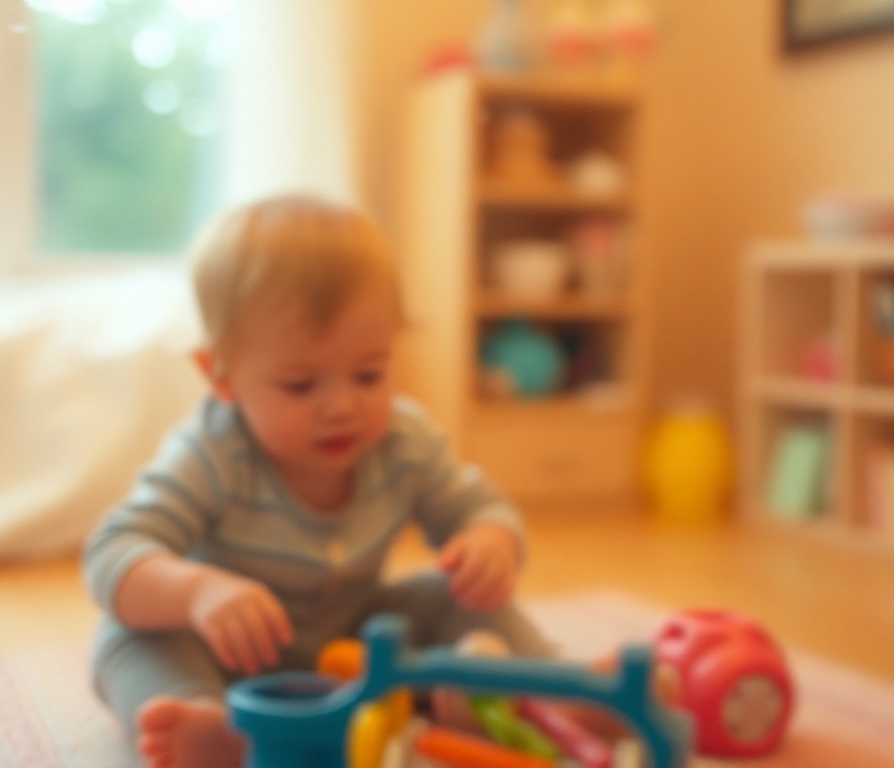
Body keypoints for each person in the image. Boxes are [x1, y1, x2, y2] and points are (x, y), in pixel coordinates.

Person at [82, 194, 556, 767]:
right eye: (301, 386)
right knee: (128, 636)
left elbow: (479, 506)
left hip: (359, 651)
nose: (342, 407)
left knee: (453, 597)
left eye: (368, 374)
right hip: (229, 656)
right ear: (222, 377)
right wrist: (197, 592)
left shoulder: (403, 441)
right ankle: (212, 729)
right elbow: (113, 553)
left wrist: (490, 542)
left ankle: (549, 700)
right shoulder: (211, 452)